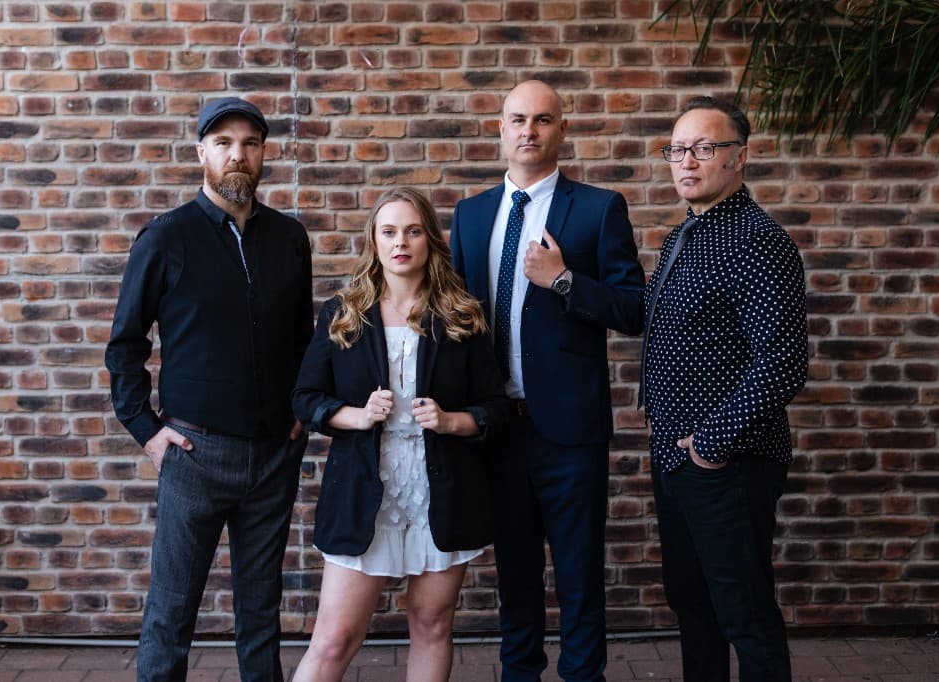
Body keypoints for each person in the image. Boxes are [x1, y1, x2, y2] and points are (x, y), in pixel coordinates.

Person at [105, 97, 313, 681]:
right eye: (223, 143)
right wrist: (147, 432)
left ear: (263, 154)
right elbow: (125, 346)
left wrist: (301, 409)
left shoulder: (289, 238)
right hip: (194, 454)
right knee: (171, 613)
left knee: (261, 613)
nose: (237, 155)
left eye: (250, 143)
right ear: (202, 153)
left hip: (273, 455)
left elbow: (303, 338)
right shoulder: (165, 238)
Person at [450, 80, 646, 681]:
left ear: (563, 129)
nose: (529, 131)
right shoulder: (471, 215)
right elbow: (456, 318)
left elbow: (634, 309)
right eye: (518, 119)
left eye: (542, 119)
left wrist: (563, 281)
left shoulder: (598, 209)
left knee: (579, 574)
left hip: (570, 430)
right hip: (498, 427)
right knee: (515, 575)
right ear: (500, 128)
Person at [291, 187, 510, 682]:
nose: (401, 243)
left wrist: (452, 421)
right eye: (388, 231)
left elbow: (496, 408)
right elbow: (305, 397)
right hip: (364, 491)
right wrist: (355, 416)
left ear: (429, 239)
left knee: (431, 625)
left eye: (413, 231)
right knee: (333, 640)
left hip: (441, 492)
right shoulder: (343, 313)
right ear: (374, 240)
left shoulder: (461, 315)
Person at [640, 96, 808, 682]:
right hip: (678, 457)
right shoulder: (684, 236)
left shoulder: (755, 240)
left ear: (739, 157)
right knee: (693, 607)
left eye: (704, 148)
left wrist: (711, 444)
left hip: (726, 462)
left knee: (745, 615)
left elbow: (783, 362)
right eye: (677, 149)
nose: (687, 161)